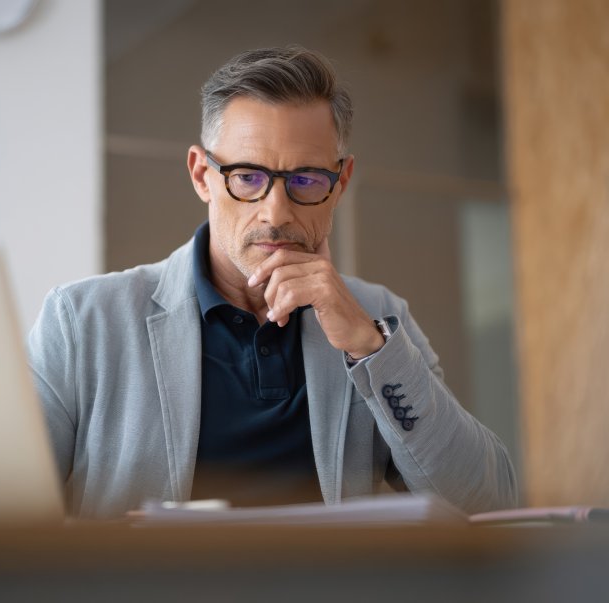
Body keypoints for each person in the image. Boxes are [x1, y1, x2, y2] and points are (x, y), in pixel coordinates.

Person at [27, 46, 517, 519]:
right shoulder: (81, 322)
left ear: (341, 183)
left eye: (306, 180)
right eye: (247, 177)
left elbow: (488, 503)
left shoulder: (377, 318)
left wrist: (369, 348)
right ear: (201, 176)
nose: (276, 213)